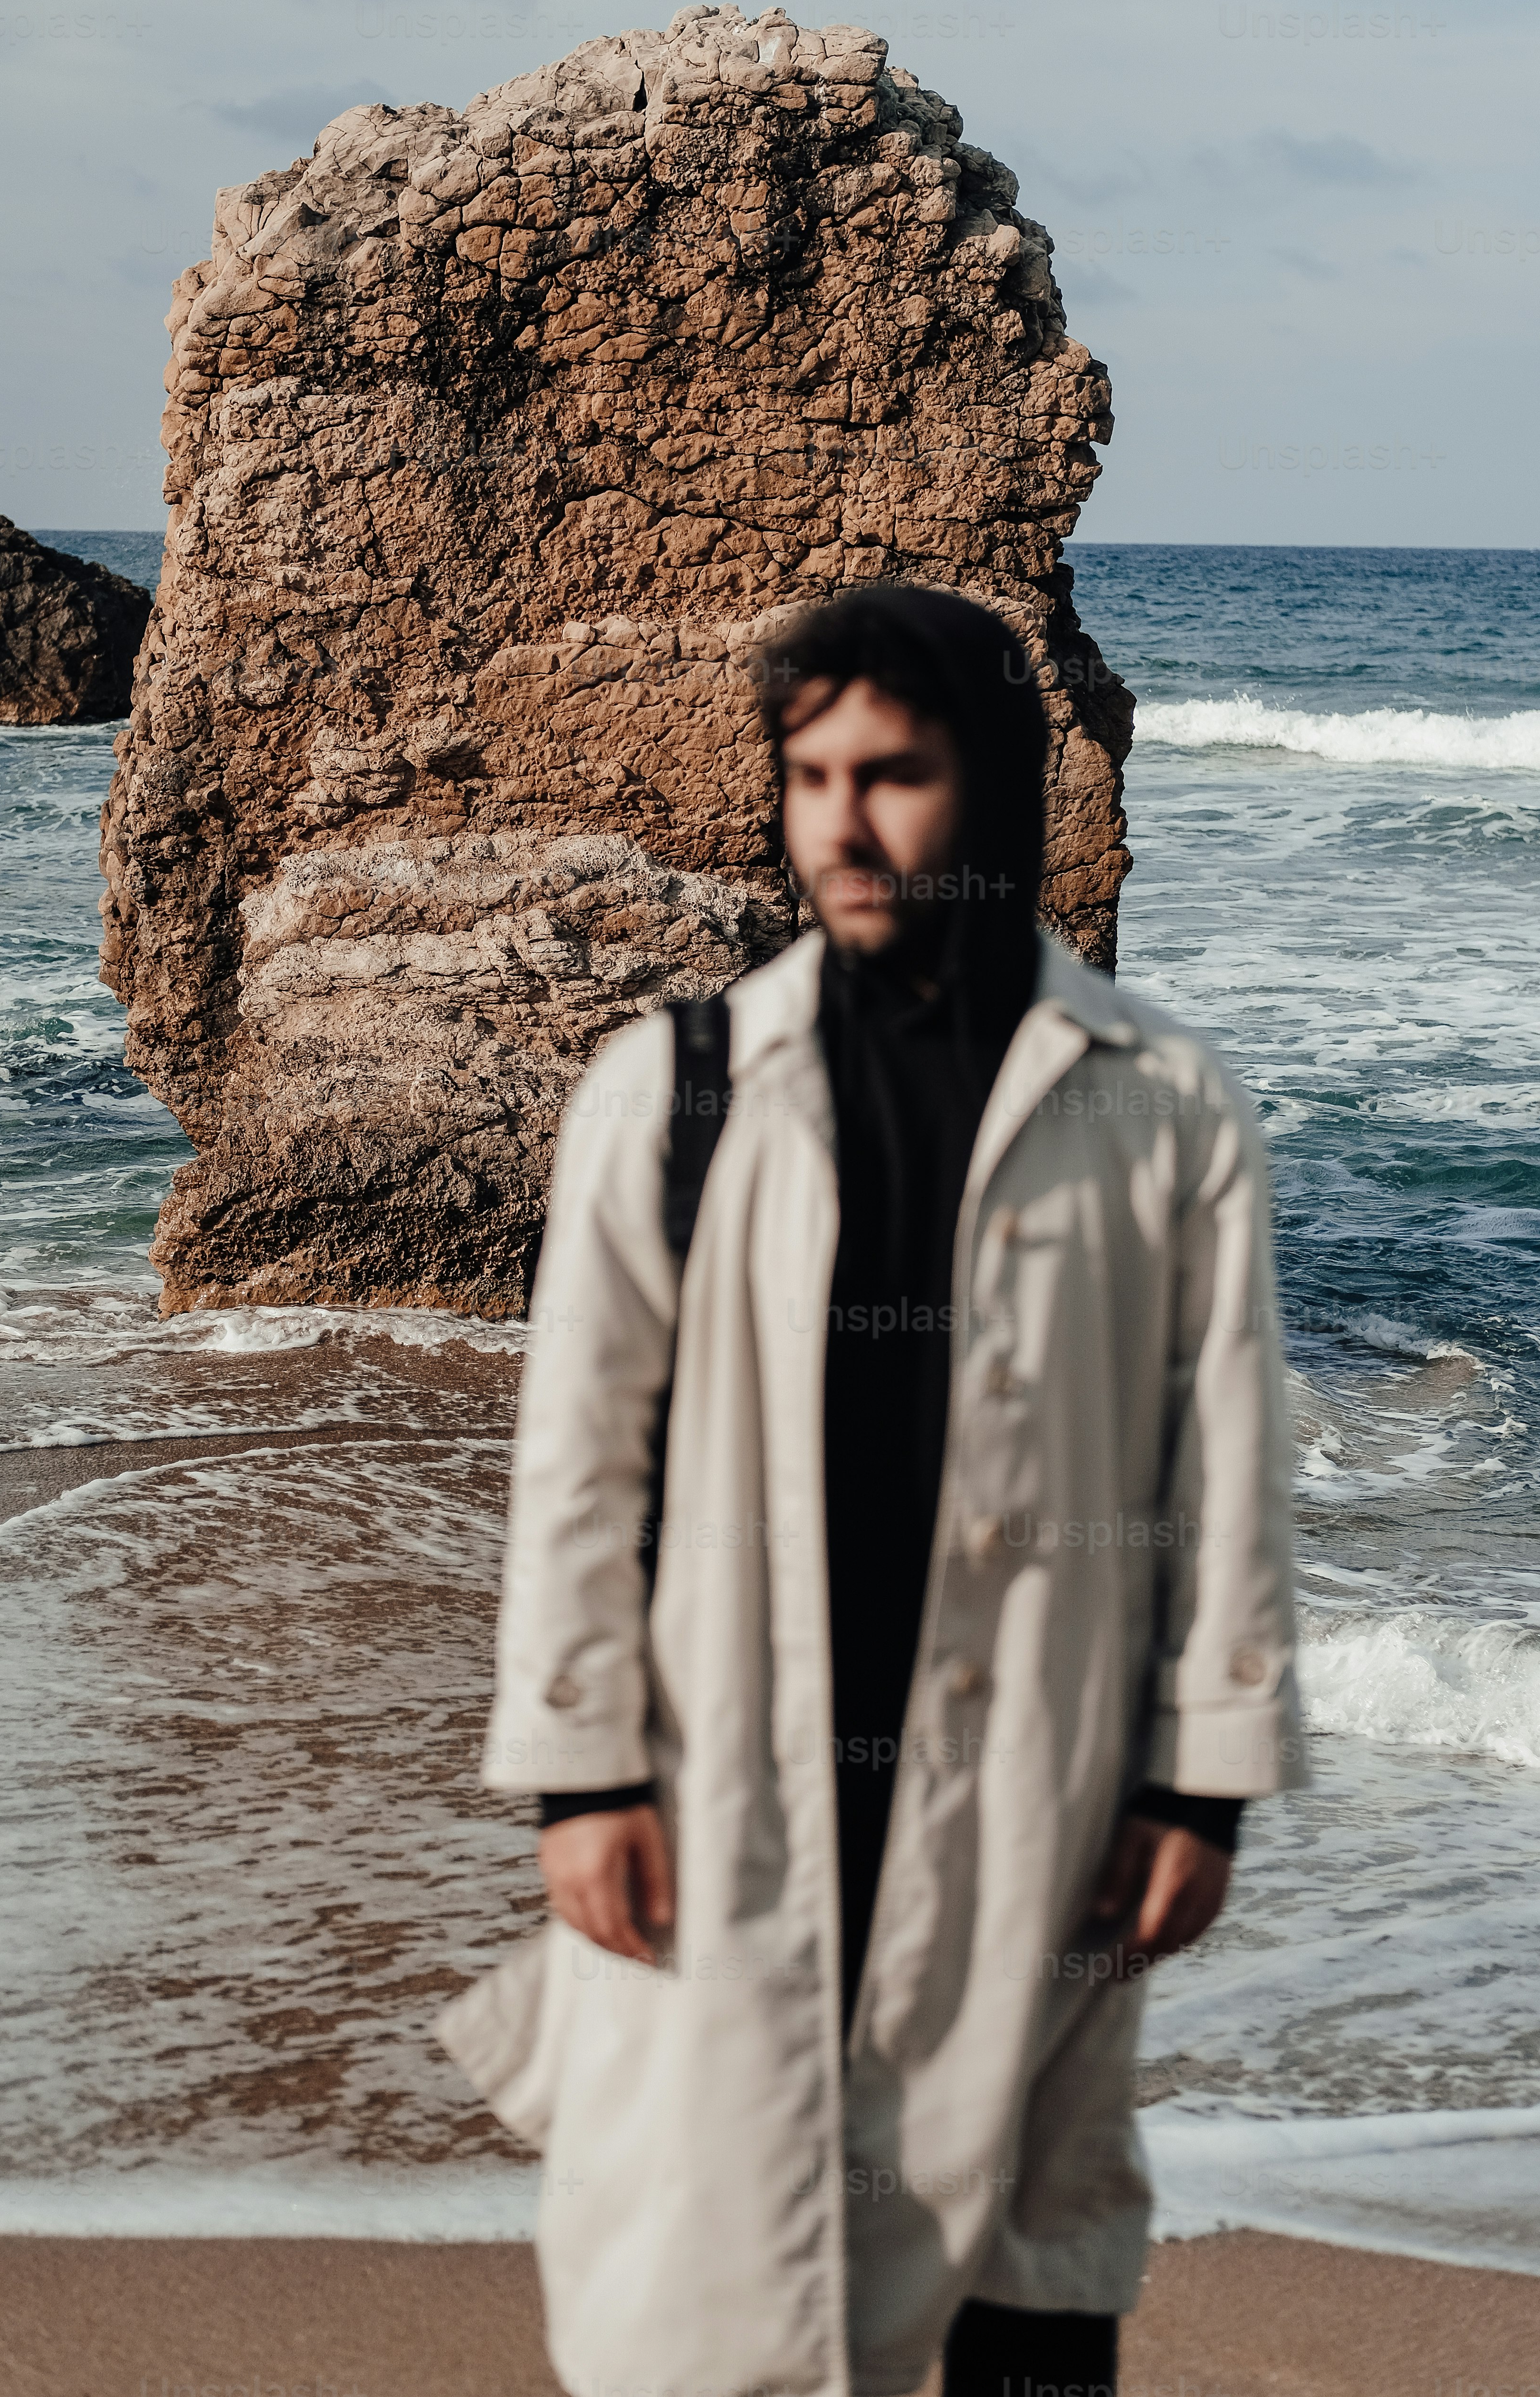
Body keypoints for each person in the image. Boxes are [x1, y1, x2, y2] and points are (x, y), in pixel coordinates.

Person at [442, 582, 1305, 2397]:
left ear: (991, 785)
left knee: (1034, 2254)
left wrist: (1199, 1780)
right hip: (733, 1765)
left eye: (892, 775)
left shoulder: (1158, 1102)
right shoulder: (674, 1093)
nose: (839, 821)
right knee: (717, 2267)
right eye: (809, 775)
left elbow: (1218, 1453)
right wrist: (581, 1774)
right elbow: (578, 1460)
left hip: (1041, 1777)